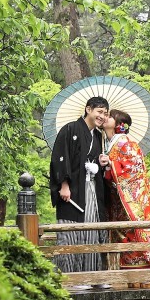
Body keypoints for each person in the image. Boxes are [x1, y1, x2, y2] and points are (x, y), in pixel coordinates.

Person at [102, 109, 150, 286]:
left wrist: (111, 164)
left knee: (137, 230)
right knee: (124, 232)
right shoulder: (108, 143)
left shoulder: (125, 142)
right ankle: (131, 277)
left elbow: (134, 168)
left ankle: (149, 277)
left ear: (118, 124)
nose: (104, 118)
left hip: (132, 197)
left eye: (109, 116)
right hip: (118, 197)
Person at [49, 96, 111, 281]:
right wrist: (64, 185)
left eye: (105, 114)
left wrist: (101, 164)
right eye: (99, 112)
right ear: (88, 109)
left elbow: (96, 162)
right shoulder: (70, 129)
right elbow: (60, 158)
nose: (102, 116)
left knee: (92, 231)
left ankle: (92, 278)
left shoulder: (98, 136)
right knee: (71, 234)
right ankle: (69, 279)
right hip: (73, 190)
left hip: (92, 189)